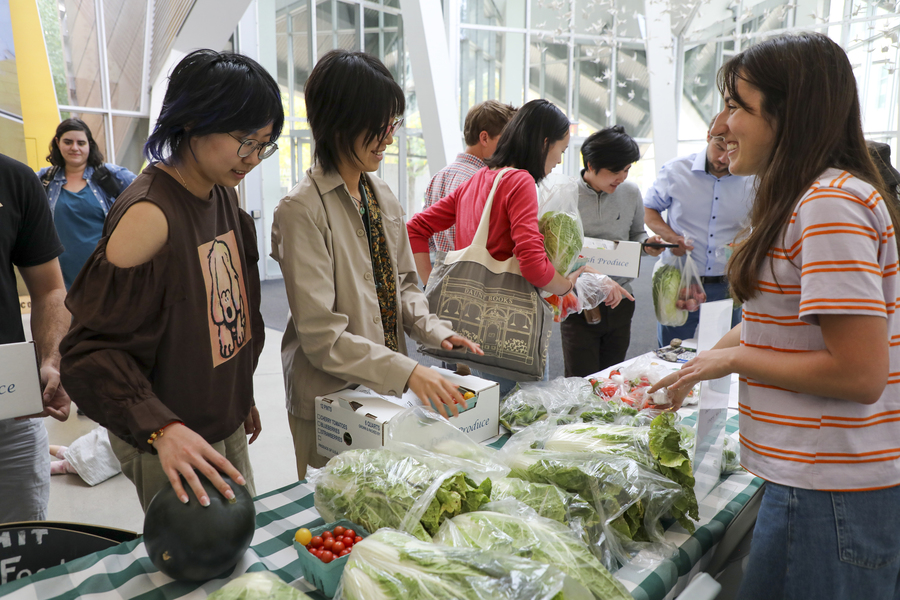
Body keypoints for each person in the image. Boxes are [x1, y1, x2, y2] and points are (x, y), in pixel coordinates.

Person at [649, 32, 900, 599]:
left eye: (738, 105)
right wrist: (699, 364)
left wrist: (731, 359)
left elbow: (859, 375)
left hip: (830, 490)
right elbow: (776, 324)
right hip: (815, 482)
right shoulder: (806, 197)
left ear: (788, 115)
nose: (723, 122)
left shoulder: (829, 204)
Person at [60, 49, 279, 511]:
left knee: (242, 547)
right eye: (246, 141)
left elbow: (228, 319)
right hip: (173, 436)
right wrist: (162, 429)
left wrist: (238, 397)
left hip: (220, 418)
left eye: (264, 144)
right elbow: (90, 352)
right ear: (193, 122)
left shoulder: (221, 193)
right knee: (199, 569)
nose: (254, 158)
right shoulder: (151, 214)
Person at [271, 50, 483, 481]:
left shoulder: (381, 194)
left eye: (394, 123)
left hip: (385, 390)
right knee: (338, 514)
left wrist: (437, 333)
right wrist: (408, 372)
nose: (389, 136)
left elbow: (404, 284)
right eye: (380, 125)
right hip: (331, 399)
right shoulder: (301, 209)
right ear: (340, 121)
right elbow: (322, 336)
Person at [406, 99, 626, 395]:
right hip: (508, 336)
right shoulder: (519, 181)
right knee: (520, 428)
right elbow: (533, 266)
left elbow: (415, 229)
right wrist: (565, 286)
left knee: (478, 425)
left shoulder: (478, 179)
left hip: (466, 329)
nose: (559, 160)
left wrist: (430, 280)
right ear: (544, 142)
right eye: (560, 150)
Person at [0, 152, 72, 522]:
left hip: (8, 410)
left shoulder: (13, 179)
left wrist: (51, 358)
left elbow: (48, 290)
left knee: (23, 544)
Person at [561, 125, 666, 377]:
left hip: (621, 299)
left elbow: (635, 236)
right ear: (591, 164)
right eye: (615, 170)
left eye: (627, 169)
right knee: (580, 379)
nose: (622, 177)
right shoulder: (565, 196)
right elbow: (558, 252)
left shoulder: (630, 192)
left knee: (613, 376)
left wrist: (648, 245)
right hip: (579, 301)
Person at [643, 117, 754, 347]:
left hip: (727, 286)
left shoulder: (753, 180)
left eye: (732, 150)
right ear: (708, 136)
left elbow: (764, 223)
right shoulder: (676, 171)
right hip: (678, 283)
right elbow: (649, 209)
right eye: (719, 147)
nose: (723, 159)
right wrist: (672, 237)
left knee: (722, 361)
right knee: (672, 356)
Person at [37, 118, 137, 289]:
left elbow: (147, 196)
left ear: (89, 145)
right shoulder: (44, 179)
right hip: (60, 279)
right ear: (57, 143)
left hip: (106, 276)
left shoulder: (113, 176)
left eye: (81, 143)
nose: (74, 148)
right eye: (68, 142)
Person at [423, 100, 517, 256]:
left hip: (444, 275)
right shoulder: (484, 182)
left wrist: (428, 280)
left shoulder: (438, 178)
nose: (510, 149)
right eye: (506, 140)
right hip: (475, 277)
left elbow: (427, 240)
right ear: (484, 138)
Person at [49, 426, 121, 487]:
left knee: (69, 453)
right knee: (66, 464)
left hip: (87, 445)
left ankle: (43, 446)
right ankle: (39, 466)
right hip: (95, 457)